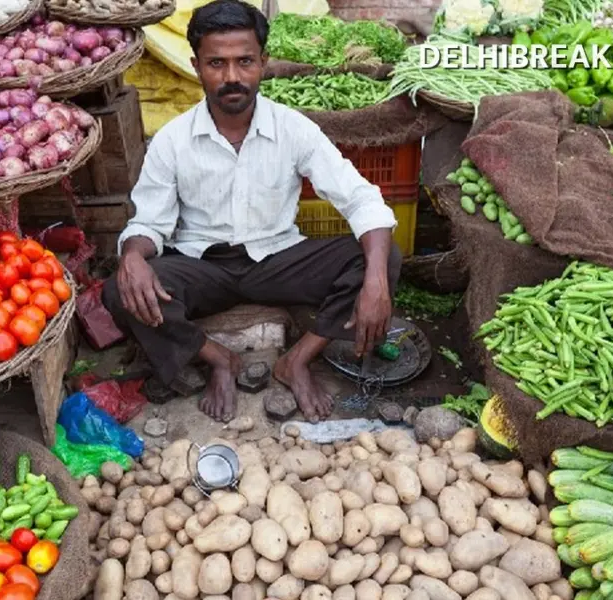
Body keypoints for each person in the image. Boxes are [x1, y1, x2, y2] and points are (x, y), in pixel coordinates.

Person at [103, 0, 401, 422]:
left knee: (381, 255)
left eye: (244, 61)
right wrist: (133, 255)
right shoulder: (173, 140)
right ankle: (217, 359)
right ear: (196, 65)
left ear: (263, 62)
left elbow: (362, 200)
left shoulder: (293, 128)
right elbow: (149, 222)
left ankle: (296, 360)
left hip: (278, 259)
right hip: (202, 266)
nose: (231, 77)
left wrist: (374, 281)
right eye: (216, 63)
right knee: (120, 287)